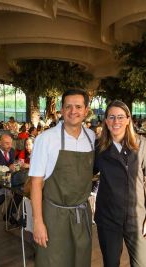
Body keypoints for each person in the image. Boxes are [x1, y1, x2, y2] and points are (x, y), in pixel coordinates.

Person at [29, 89, 95, 267]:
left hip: (81, 214)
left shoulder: (91, 137)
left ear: (86, 110)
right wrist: (38, 222)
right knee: (52, 262)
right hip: (53, 217)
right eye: (68, 107)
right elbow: (36, 184)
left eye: (78, 106)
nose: (74, 111)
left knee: (80, 261)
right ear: (62, 109)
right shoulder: (46, 139)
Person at [94, 100, 146, 267]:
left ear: (128, 119)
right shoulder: (99, 147)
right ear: (106, 121)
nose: (116, 121)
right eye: (111, 117)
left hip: (137, 217)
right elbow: (85, 174)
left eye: (120, 117)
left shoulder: (143, 144)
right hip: (108, 218)